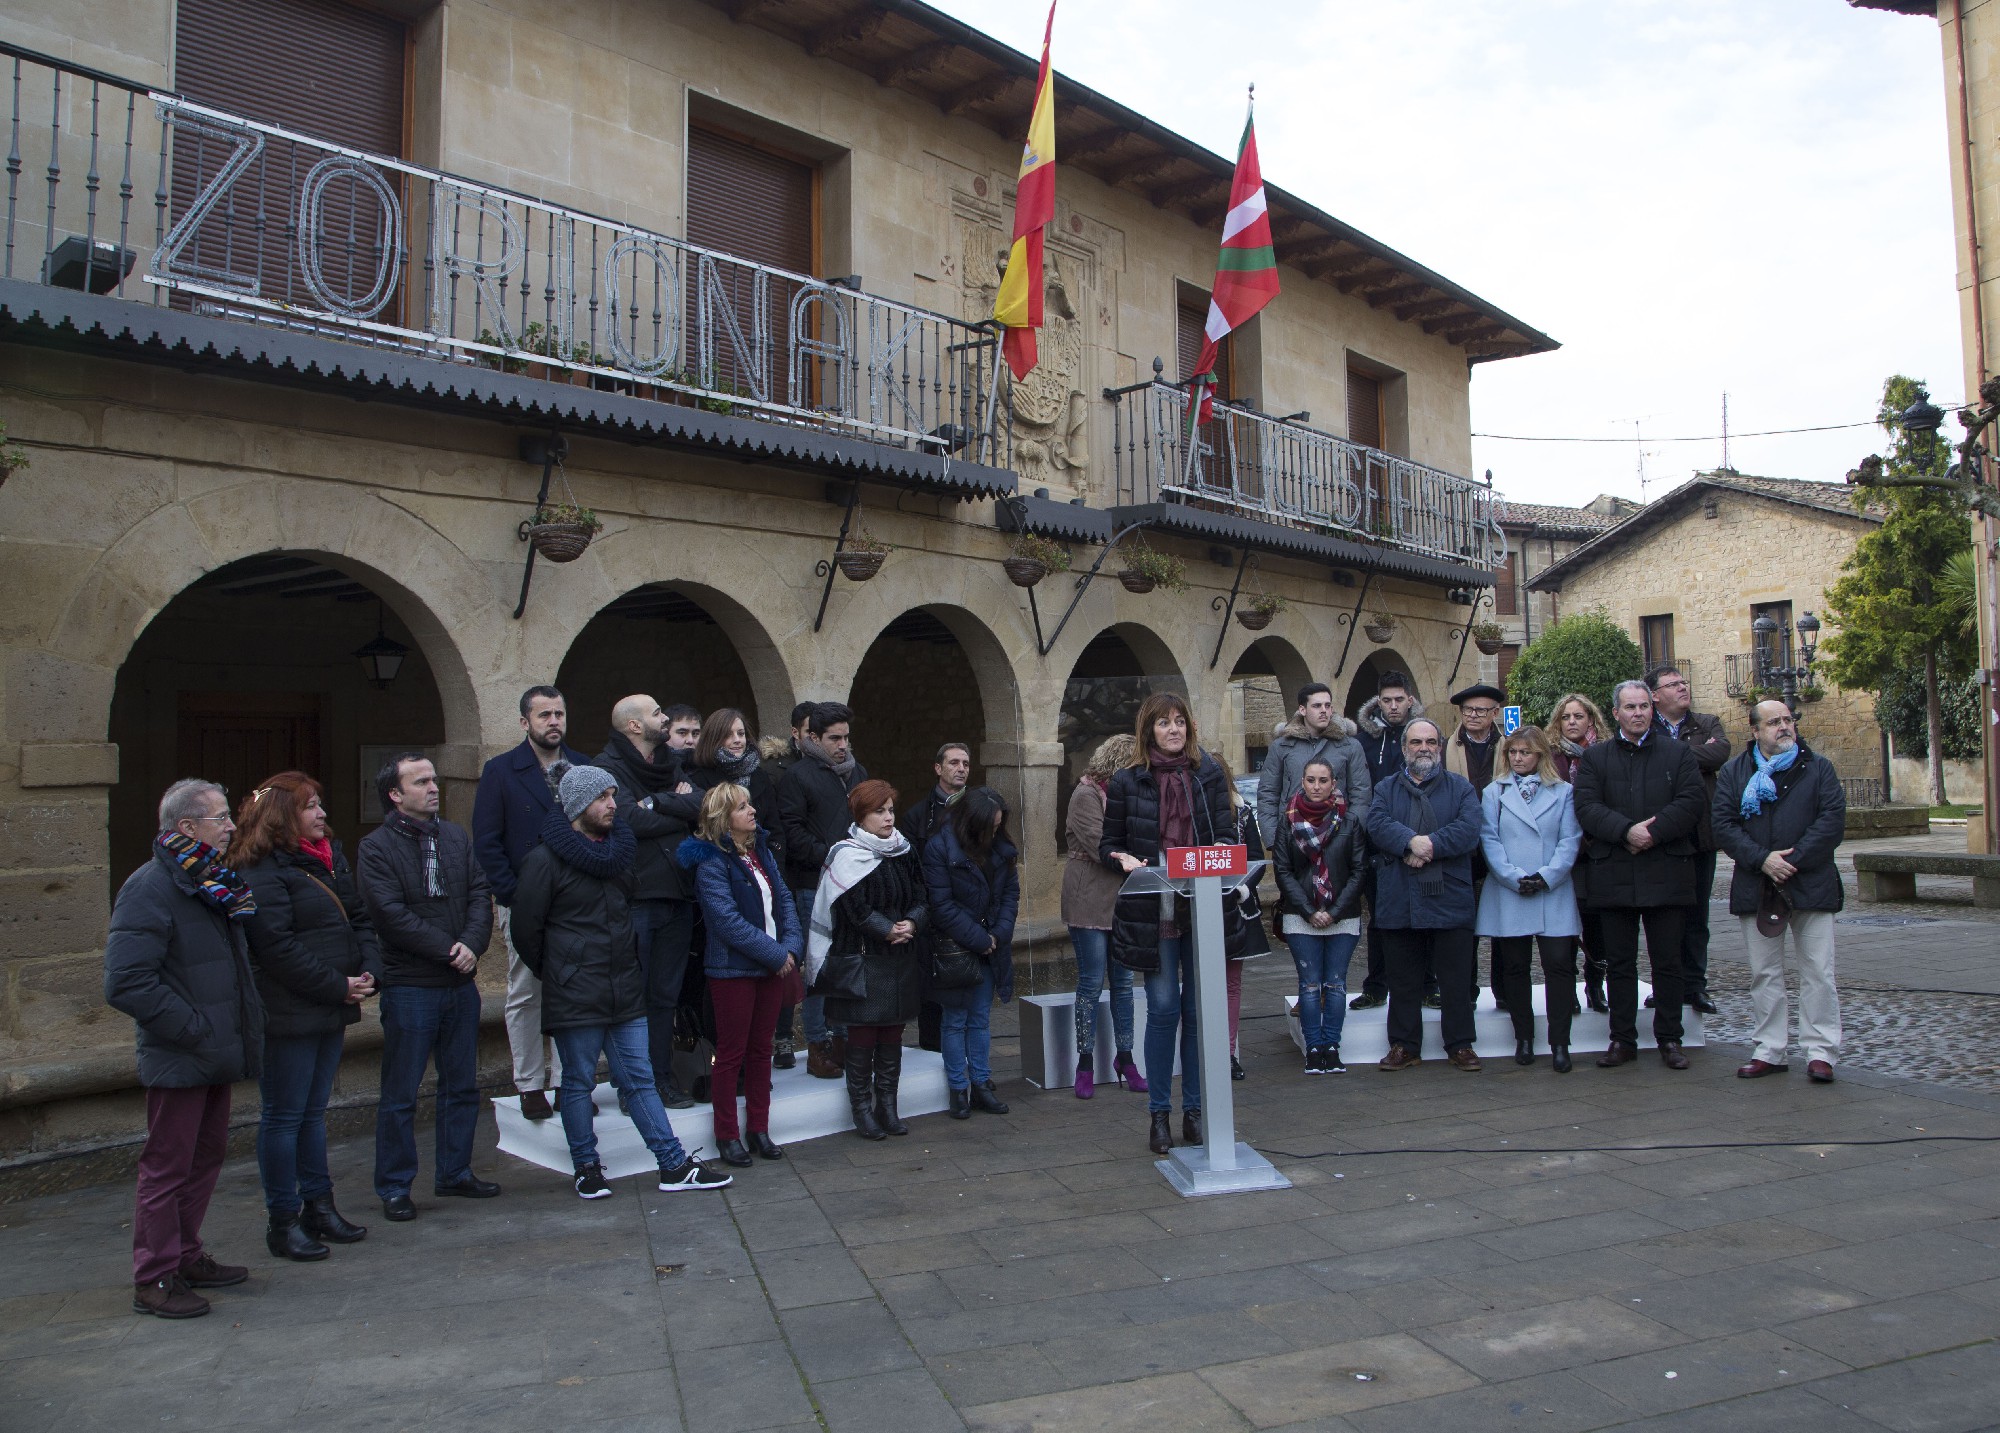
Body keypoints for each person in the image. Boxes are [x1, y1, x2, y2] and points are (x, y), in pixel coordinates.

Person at [510, 764, 731, 1198]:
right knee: (577, 1082)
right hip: (576, 990)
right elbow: (526, 931)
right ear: (577, 806)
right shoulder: (544, 861)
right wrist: (562, 970)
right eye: (603, 798)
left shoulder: (619, 854)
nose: (613, 805)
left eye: (613, 795)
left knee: (640, 1078)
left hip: (624, 985)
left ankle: (672, 1164)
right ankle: (586, 1168)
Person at [105, 780, 262, 1319]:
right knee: (167, 1166)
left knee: (205, 1157)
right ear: (187, 829)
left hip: (215, 1049)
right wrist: (195, 1029)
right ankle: (153, 1277)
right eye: (220, 818)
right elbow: (126, 982)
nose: (230, 826)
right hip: (184, 1052)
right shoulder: (149, 887)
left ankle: (186, 1255)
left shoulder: (212, 882)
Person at [229, 772, 381, 1261]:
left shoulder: (328, 859)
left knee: (314, 1114)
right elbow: (275, 946)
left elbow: (357, 917)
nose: (321, 815)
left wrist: (368, 971)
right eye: (310, 807)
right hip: (290, 1011)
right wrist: (338, 985)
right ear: (282, 817)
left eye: (320, 805)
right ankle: (283, 1219)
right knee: (284, 1116)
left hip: (330, 1005)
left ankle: (320, 1205)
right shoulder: (259, 870)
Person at [358, 753, 498, 1224]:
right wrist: (448, 948)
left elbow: (480, 892)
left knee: (461, 1086)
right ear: (395, 795)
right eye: (421, 782)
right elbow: (389, 914)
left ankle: (454, 1171)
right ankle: (396, 1186)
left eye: (434, 779)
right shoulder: (375, 848)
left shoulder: (456, 836)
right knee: (401, 1093)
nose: (434, 788)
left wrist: (472, 944)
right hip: (412, 986)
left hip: (459, 984)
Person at [1101, 692, 1234, 1154]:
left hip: (1201, 911)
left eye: (1180, 722)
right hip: (1153, 913)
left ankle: (1195, 1111)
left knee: (1199, 1014)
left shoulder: (1208, 775)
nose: (1173, 730)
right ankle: (1159, 1114)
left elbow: (1228, 838)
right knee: (1163, 1011)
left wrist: (1219, 859)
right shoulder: (1126, 781)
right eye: (1163, 723)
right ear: (1148, 730)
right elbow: (1108, 843)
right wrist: (1121, 859)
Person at [1572, 680, 1707, 1070]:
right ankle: (1622, 1039)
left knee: (1667, 962)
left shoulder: (1678, 753)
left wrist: (1652, 832)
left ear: (1653, 708)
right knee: (1620, 963)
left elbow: (1691, 801)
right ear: (1615, 713)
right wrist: (1625, 831)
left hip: (1666, 868)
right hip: (1614, 870)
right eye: (1629, 708)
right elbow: (1586, 806)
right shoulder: (1597, 758)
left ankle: (1670, 1038)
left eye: (1644, 706)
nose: (1637, 714)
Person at [1713, 700, 1847, 1082]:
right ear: (1755, 731)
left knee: (1819, 971)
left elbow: (1832, 821)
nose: (1785, 727)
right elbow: (1724, 825)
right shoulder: (1735, 773)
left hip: (1812, 881)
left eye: (1788, 720)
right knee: (1764, 972)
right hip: (1757, 883)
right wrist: (1763, 859)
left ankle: (1821, 1051)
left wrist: (1793, 860)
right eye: (1774, 722)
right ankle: (1770, 1049)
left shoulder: (1818, 768)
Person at [472, 685, 587, 1120]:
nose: (553, 722)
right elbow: (486, 841)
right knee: (525, 991)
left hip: (576, 898)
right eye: (544, 715)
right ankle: (529, 1084)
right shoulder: (501, 771)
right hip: (524, 898)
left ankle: (567, 1082)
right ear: (525, 723)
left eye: (559, 714)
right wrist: (514, 895)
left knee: (572, 991)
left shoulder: (583, 766)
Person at [679, 781, 802, 1165]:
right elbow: (727, 922)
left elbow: (785, 902)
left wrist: (792, 949)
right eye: (742, 807)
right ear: (722, 819)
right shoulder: (711, 862)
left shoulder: (759, 852)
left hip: (771, 966)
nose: (752, 811)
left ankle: (759, 1130)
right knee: (730, 1055)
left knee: (762, 1051)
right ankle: (727, 1135)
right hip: (733, 971)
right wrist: (775, 954)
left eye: (750, 804)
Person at [593, 695, 704, 1110]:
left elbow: (704, 805)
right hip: (636, 898)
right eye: (658, 713)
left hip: (678, 894)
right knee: (633, 999)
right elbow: (627, 821)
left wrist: (660, 802)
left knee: (665, 997)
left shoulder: (671, 764)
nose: (665, 718)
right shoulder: (606, 769)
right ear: (635, 726)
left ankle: (660, 1080)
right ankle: (632, 1086)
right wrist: (679, 810)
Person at [1365, 720, 1485, 1072]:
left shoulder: (1461, 789)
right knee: (1402, 980)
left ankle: (1460, 1044)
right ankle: (1404, 1045)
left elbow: (1468, 830)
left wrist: (1428, 845)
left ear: (1439, 746)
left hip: (1450, 897)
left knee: (1456, 981)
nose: (1424, 747)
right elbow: (1377, 824)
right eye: (1416, 742)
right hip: (1400, 898)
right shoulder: (1386, 788)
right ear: (1404, 748)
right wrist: (1408, 841)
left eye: (1431, 741)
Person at [816, 780, 929, 1138]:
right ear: (861, 816)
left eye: (891, 810)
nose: (888, 817)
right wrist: (886, 929)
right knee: (863, 1037)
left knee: (893, 1035)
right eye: (879, 811)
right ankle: (862, 1110)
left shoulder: (904, 850)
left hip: (900, 957)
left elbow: (922, 894)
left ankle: (888, 1107)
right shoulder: (846, 854)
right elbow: (854, 909)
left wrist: (912, 921)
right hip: (864, 959)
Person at [1475, 726, 1583, 1072]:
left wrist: (1547, 876)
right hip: (1511, 889)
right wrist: (1513, 876)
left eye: (1525, 752)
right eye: (1512, 752)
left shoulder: (1563, 791)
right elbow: (1488, 839)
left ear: (1540, 755)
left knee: (1559, 966)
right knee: (1515, 967)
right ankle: (1523, 1036)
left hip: (1552, 889)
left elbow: (1570, 840)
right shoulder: (1494, 792)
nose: (1518, 758)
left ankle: (1560, 1041)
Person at [776, 702, 868, 1079]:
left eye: (846, 737)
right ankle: (817, 1044)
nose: (843, 745)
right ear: (812, 738)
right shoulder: (797, 776)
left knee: (847, 961)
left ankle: (844, 1038)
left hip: (851, 884)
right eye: (834, 738)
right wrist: (832, 856)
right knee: (817, 966)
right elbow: (792, 830)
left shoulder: (857, 771)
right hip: (812, 884)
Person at [922, 786, 1020, 1119]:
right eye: (990, 826)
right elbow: (941, 905)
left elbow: (1010, 895)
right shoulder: (940, 847)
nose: (995, 832)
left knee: (980, 1019)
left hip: (990, 943)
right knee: (954, 1021)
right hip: (956, 948)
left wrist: (999, 934)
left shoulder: (1002, 849)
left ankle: (980, 1083)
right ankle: (957, 1088)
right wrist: (980, 938)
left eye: (998, 825)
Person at [1063, 735, 1144, 1098]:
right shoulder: (1086, 795)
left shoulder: (1127, 794)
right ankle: (1084, 1062)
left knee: (1124, 984)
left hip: (1121, 900)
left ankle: (1125, 1058)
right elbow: (1100, 844)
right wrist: (1131, 854)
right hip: (1088, 897)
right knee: (1092, 983)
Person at [1273, 758, 1365, 1075]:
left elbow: (1358, 871)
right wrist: (1310, 911)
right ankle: (1313, 1047)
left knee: (1336, 985)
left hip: (1343, 916)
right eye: (1310, 780)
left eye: (1322, 780)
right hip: (1301, 916)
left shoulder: (1349, 821)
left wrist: (1334, 912)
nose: (1316, 786)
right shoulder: (1288, 821)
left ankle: (1332, 1046)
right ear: (1302, 781)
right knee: (1310, 985)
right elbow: (1283, 871)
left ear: (1333, 784)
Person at [1647, 663, 1729, 1016]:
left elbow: (1719, 753)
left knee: (1697, 917)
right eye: (1673, 683)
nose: (1683, 687)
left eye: (1683, 682)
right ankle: (1666, 985)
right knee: (1661, 916)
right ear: (1655, 695)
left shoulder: (1707, 724)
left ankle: (1695, 985)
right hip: (1662, 836)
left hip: (1700, 836)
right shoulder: (1645, 728)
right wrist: (1693, 756)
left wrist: (1668, 755)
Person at [1351, 671, 1425, 1011]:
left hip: (1419, 841)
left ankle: (1428, 984)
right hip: (1375, 843)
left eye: (1399, 699)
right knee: (1380, 920)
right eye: (1387, 700)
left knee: (1424, 916)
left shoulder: (1423, 737)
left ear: (1410, 700)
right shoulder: (1363, 741)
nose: (1393, 706)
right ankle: (1376, 986)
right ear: (1377, 702)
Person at [898, 742, 972, 1056]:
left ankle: (971, 1063)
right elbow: (910, 869)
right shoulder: (917, 816)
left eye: (966, 763)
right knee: (932, 992)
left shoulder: (978, 808)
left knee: (969, 995)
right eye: (954, 762)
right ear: (938, 768)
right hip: (932, 915)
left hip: (969, 912)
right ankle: (932, 1053)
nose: (961, 768)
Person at [1549, 692, 1611, 1013]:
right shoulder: (1549, 756)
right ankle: (1567, 987)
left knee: (1596, 922)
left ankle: (1595, 985)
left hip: (1599, 851)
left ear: (1591, 720)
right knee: (1565, 925)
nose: (1572, 722)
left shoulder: (1606, 754)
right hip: (1564, 853)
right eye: (1566, 717)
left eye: (1578, 716)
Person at [1445, 682, 1505, 1008]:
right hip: (1461, 849)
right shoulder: (1446, 747)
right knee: (1462, 927)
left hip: (1501, 845)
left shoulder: (1509, 746)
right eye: (1468, 710)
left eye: (1481, 710)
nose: (1473, 715)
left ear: (1495, 713)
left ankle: (1506, 992)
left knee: (1504, 923)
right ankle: (1465, 992)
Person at [1255, 682, 1371, 844]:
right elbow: (1268, 795)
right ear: (1302, 710)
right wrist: (1274, 840)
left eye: (1327, 705)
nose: (1324, 710)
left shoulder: (1350, 746)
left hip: (1338, 837)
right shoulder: (1281, 746)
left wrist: (1350, 835)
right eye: (1317, 706)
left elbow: (1361, 796)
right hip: (1291, 837)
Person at [1217, 754, 1272, 1081]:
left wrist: (1240, 888)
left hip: (1235, 906)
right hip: (1195, 910)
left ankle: (1228, 1052)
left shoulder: (1242, 812)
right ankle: (1202, 1049)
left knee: (1232, 983)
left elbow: (1255, 858)